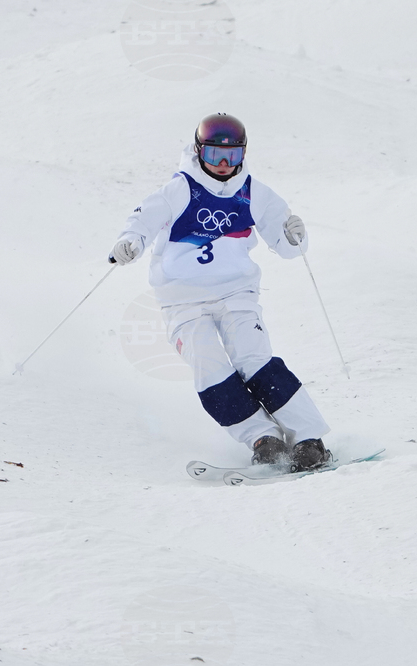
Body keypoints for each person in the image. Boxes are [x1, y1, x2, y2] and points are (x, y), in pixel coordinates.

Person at [112, 113, 331, 470]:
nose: (225, 165)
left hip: (236, 293)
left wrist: (295, 235)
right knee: (208, 365)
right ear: (200, 153)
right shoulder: (180, 189)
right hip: (182, 300)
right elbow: (143, 221)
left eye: (232, 156)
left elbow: (287, 245)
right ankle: (263, 437)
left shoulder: (253, 192)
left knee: (254, 357)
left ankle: (308, 437)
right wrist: (129, 243)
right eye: (215, 156)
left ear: (244, 154)